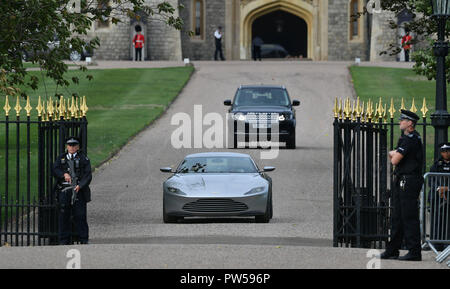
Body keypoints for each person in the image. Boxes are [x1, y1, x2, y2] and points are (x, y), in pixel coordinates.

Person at [380, 109, 423, 261]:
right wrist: (395, 153)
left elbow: (394, 160)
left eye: (403, 120)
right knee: (397, 217)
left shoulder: (411, 139)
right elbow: (395, 155)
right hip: (402, 179)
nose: (400, 121)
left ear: (410, 123)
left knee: (409, 216)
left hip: (409, 181)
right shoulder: (407, 138)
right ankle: (392, 249)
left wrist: (395, 154)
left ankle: (414, 251)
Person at [53, 136, 92, 245]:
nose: (72, 147)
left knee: (80, 215)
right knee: (63, 215)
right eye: (70, 145)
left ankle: (83, 239)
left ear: (78, 147)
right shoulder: (62, 158)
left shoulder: (83, 158)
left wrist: (81, 185)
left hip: (78, 189)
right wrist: (63, 174)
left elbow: (87, 175)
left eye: (74, 145)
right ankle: (63, 240)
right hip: (65, 189)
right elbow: (55, 169)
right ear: (67, 146)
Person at [428, 142, 450, 251]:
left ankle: (447, 244)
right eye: (444, 151)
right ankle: (436, 243)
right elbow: (431, 180)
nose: (446, 153)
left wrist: (446, 189)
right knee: (437, 220)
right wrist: (439, 189)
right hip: (437, 198)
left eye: (448, 151)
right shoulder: (437, 165)